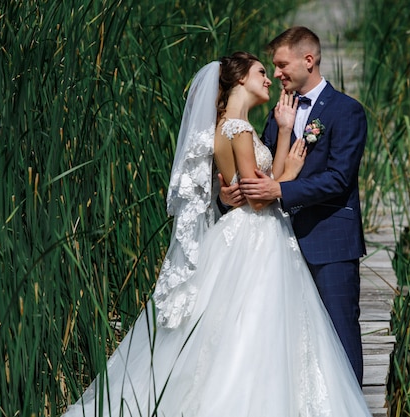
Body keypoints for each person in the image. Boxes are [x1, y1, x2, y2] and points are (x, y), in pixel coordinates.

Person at [62, 52, 371, 416]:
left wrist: (284, 133)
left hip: (243, 232)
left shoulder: (225, 127)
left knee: (238, 322)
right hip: (258, 234)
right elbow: (260, 198)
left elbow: (248, 187)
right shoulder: (238, 130)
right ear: (240, 80)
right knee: (257, 323)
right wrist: (291, 171)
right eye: (261, 72)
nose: (269, 78)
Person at [220, 27, 367, 384]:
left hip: (329, 239)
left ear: (309, 60)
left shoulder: (347, 111)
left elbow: (338, 179)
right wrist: (229, 195)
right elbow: (262, 168)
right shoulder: (277, 115)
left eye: (283, 65)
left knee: (339, 329)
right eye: (272, 67)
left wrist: (280, 191)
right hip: (275, 243)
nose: (278, 73)